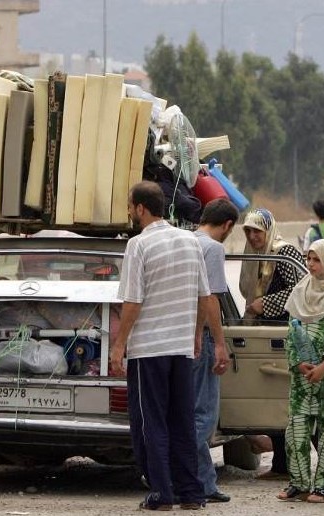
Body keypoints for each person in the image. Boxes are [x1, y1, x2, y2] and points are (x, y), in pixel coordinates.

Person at [110, 181, 209, 510]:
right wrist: (196, 335)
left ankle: (162, 493)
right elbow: (203, 296)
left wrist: (118, 345)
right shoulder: (190, 241)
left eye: (130, 206)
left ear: (140, 208)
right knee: (182, 421)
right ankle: (191, 493)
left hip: (148, 350)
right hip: (180, 348)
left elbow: (133, 302)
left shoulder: (138, 245)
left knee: (151, 422)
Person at [239, 209, 324, 479]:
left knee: (314, 406)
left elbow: (300, 287)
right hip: (272, 336)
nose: (253, 236)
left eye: (258, 230)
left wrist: (266, 304)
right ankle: (283, 465)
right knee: (277, 400)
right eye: (248, 231)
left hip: (292, 331)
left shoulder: (284, 251)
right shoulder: (255, 256)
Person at [276, 239, 324, 504]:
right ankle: (298, 483)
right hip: (302, 377)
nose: (311, 264)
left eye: (317, 259)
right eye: (308, 258)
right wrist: (298, 362)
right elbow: (291, 332)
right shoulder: (300, 291)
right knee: (296, 430)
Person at [192, 198, 237, 504]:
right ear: (228, 225)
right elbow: (209, 299)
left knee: (184, 410)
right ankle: (194, 481)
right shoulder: (213, 248)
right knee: (204, 415)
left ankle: (203, 481)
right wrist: (220, 344)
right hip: (202, 336)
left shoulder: (184, 241)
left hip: (178, 336)